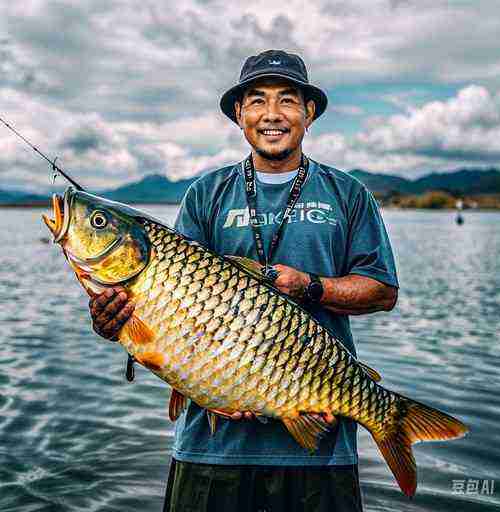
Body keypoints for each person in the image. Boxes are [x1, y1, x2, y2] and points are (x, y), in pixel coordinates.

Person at [89, 50, 399, 512]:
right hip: (212, 443)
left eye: (288, 101)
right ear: (239, 114)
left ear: (308, 113)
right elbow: (169, 309)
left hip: (320, 434)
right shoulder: (206, 194)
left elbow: (382, 291)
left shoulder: (348, 194)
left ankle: (392, 420)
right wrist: (112, 322)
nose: (272, 114)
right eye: (257, 101)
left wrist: (310, 286)